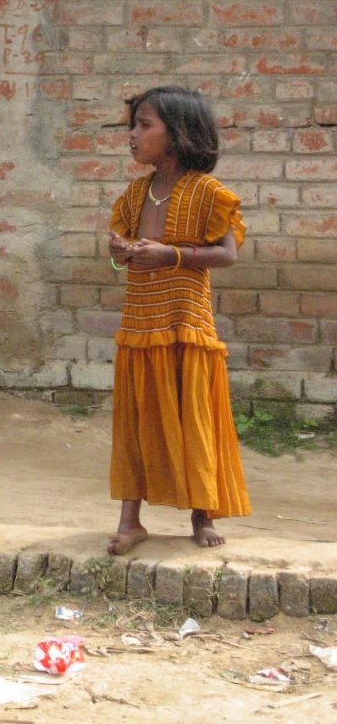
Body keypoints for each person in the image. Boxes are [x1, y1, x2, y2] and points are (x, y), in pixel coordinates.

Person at [105, 85, 250, 555]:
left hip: (187, 323)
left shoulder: (209, 193)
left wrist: (171, 254)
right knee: (136, 417)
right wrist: (120, 254)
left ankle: (202, 515)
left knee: (193, 415)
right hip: (141, 322)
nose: (132, 134)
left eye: (144, 125)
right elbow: (123, 249)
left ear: (178, 135)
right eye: (133, 124)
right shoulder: (135, 194)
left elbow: (226, 254)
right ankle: (131, 520)